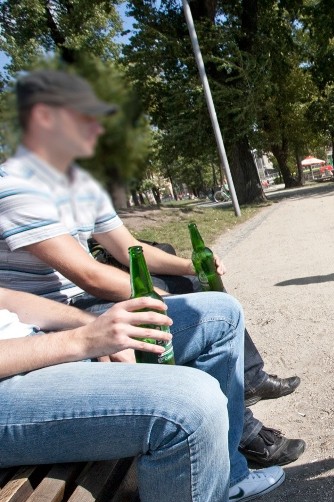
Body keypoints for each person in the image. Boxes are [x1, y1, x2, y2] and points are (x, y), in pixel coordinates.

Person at [0, 69, 305, 468]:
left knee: (194, 286)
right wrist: (156, 296)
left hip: (81, 302)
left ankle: (245, 386)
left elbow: (131, 249)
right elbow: (87, 275)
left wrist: (195, 264)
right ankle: (240, 433)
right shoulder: (18, 188)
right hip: (51, 315)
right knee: (187, 307)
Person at [0, 288, 285, 502]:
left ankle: (228, 479)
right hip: (12, 378)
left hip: (31, 341)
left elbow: (5, 297)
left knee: (220, 313)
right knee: (189, 405)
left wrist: (92, 326)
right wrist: (82, 341)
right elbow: (90, 274)